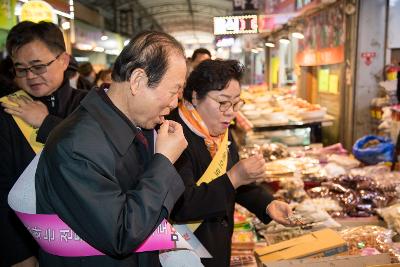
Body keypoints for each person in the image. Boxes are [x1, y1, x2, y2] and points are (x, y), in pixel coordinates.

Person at [33, 31, 188, 266]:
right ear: (137, 80)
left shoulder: (137, 126)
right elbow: (122, 234)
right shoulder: (76, 147)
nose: (175, 102)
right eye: (173, 90)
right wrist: (164, 161)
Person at [169, 59, 297, 266]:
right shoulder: (172, 133)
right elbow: (183, 205)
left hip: (218, 245)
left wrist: (267, 204)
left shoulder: (219, 129)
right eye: (222, 102)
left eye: (236, 102)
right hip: (185, 252)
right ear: (195, 96)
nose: (231, 112)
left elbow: (237, 185)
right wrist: (234, 177)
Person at [0, 21, 87, 267]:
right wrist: (19, 255)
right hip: (30, 244)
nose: (30, 76)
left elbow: (97, 157)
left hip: (90, 236)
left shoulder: (90, 103)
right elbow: (2, 190)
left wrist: (47, 123)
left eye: (38, 66)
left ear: (63, 60)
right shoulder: (8, 111)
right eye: (21, 69)